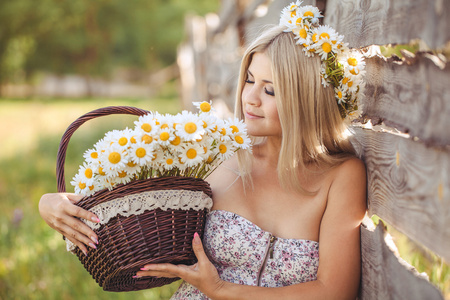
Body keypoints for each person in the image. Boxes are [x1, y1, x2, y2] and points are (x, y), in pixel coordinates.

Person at [39, 1, 367, 299]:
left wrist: (223, 290)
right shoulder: (215, 155)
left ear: (307, 98)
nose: (249, 98)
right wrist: (52, 203)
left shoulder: (340, 176)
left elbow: (333, 291)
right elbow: (130, 197)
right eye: (249, 80)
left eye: (269, 90)